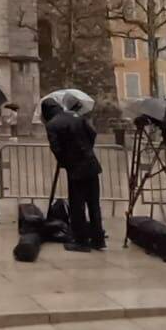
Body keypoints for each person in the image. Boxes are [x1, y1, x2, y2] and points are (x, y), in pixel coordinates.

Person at [44, 98, 105, 251]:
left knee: (77, 205)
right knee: (94, 204)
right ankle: (98, 239)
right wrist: (87, 151)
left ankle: (81, 240)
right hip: (91, 164)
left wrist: (65, 161)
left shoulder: (52, 125)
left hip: (76, 169)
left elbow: (56, 148)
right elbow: (92, 133)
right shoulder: (77, 117)